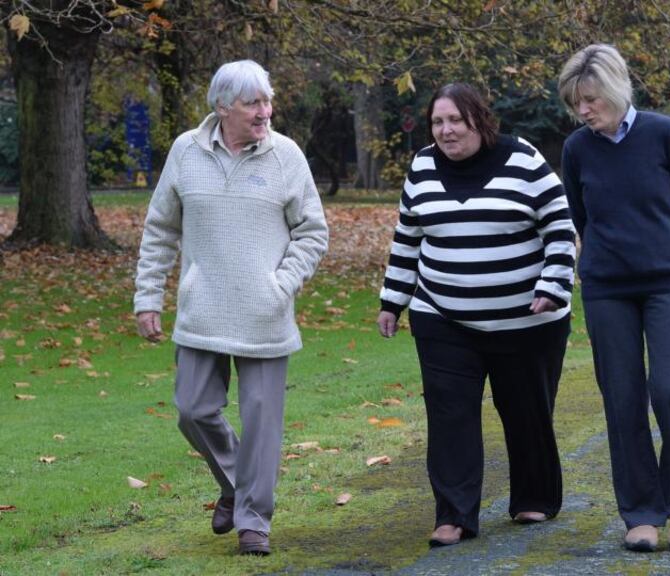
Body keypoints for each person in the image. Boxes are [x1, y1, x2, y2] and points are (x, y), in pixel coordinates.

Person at [133, 60, 329, 556]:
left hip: (265, 314)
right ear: (222, 107)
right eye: (252, 104)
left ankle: (254, 522)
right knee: (192, 409)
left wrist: (279, 285)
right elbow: (160, 230)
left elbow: (313, 232)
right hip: (202, 312)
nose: (265, 112)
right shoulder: (185, 151)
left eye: (267, 101)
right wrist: (148, 297)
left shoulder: (286, 156)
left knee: (262, 422)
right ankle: (236, 485)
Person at [376, 83, 576, 547]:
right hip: (442, 316)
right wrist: (393, 301)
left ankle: (535, 498)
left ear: (479, 120)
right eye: (437, 122)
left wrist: (552, 286)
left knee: (527, 413)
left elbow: (561, 228)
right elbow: (408, 238)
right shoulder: (422, 165)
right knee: (450, 417)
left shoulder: (523, 160)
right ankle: (454, 515)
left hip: (527, 321)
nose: (446, 131)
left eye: (455, 121)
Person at [557, 44, 670, 553]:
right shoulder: (578, 148)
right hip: (606, 288)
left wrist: (657, 239)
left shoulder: (665, 133)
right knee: (622, 398)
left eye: (592, 99)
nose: (584, 111)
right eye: (576, 102)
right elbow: (583, 215)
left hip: (669, 282)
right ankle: (641, 513)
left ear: (617, 91)